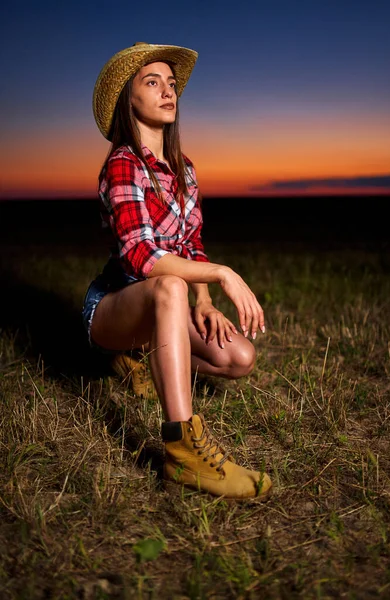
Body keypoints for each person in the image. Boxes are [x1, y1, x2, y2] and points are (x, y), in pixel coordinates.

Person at [83, 42, 272, 500]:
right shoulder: (123, 163)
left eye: (171, 84)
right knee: (167, 284)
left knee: (238, 358)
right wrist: (221, 276)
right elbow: (142, 257)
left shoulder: (184, 169)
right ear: (128, 100)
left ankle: (143, 360)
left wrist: (205, 302)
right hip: (114, 306)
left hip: (169, 304)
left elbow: (192, 244)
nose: (168, 92)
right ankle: (182, 449)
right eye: (153, 83)